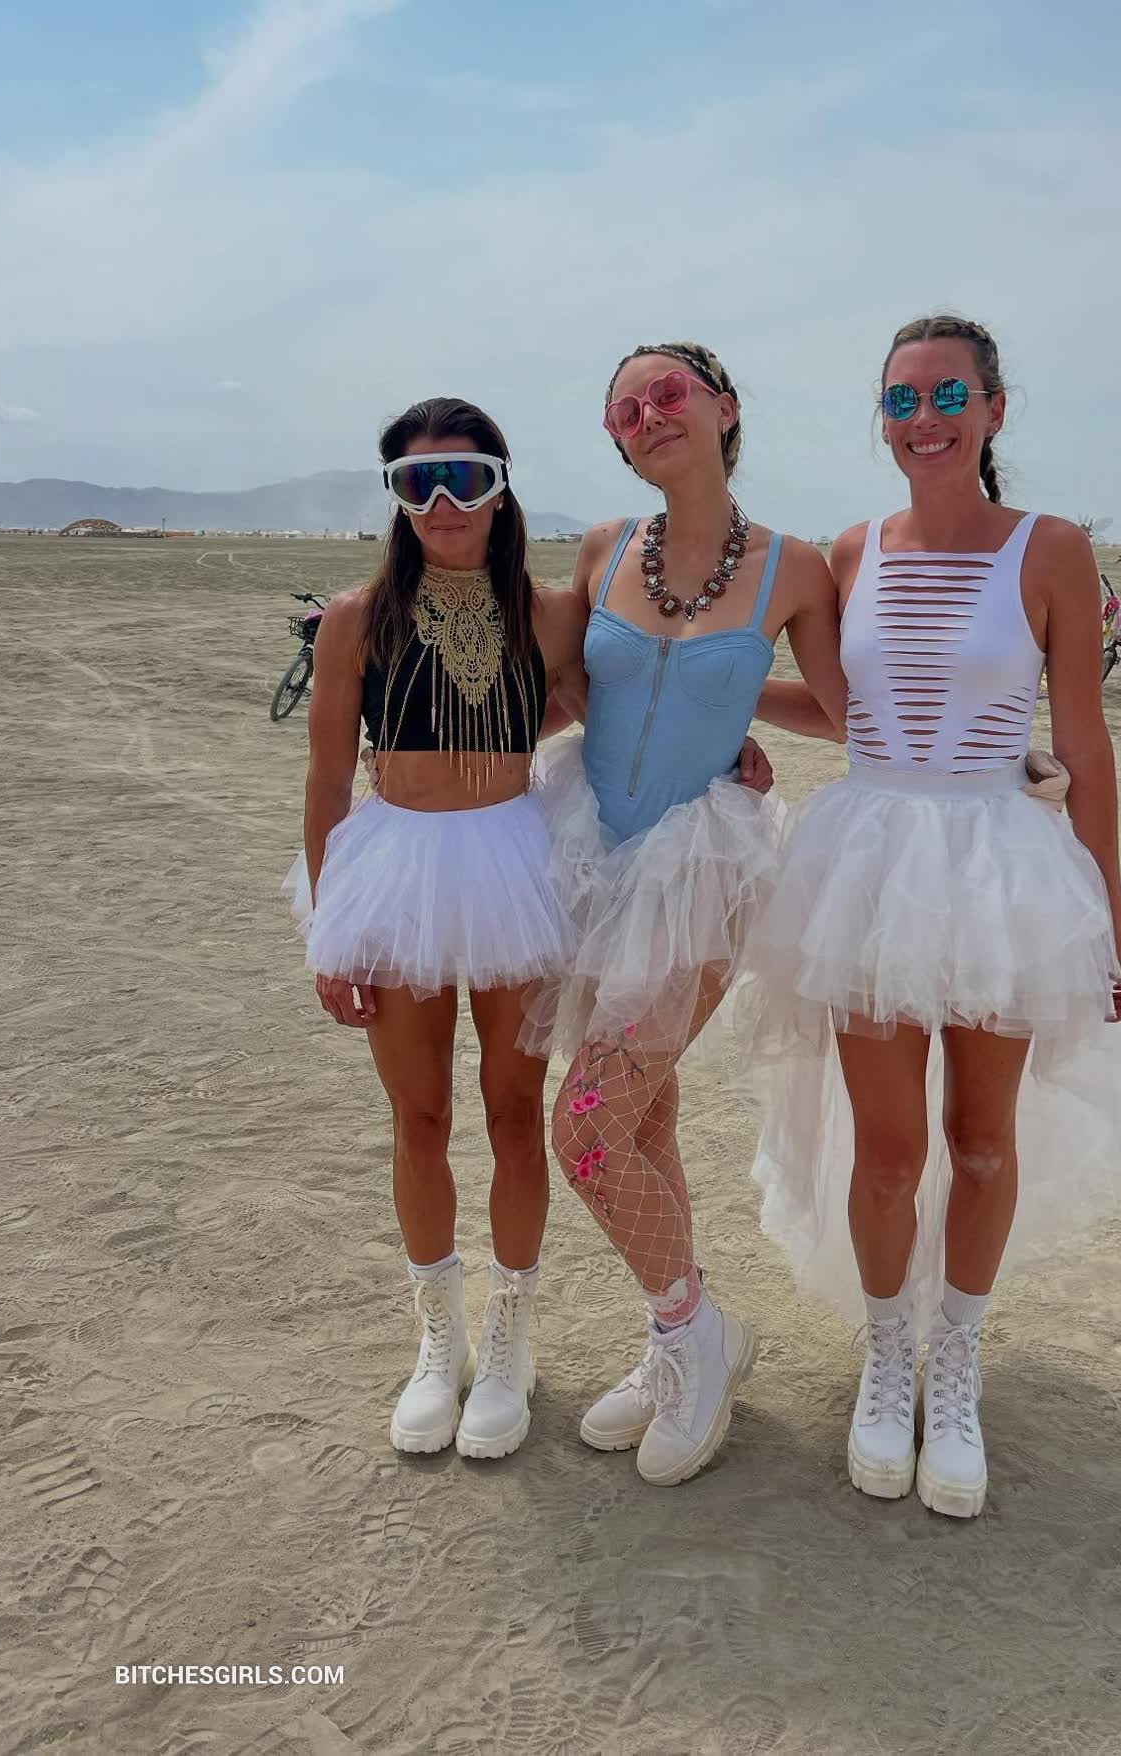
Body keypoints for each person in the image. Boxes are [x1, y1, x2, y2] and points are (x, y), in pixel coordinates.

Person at [744, 316, 1121, 1518]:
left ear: (992, 410)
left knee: (980, 1142)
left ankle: (957, 1359)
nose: (920, 420)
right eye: (898, 400)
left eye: (944, 397)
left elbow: (1081, 742)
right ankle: (888, 1356)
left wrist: (1111, 916)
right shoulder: (849, 550)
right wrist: (719, 699)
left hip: (996, 867)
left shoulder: (1049, 548)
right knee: (885, 1152)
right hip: (868, 864)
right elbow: (842, 711)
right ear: (880, 419)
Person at [530, 339, 847, 1488]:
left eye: (667, 392)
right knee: (644, 1119)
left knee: (587, 1128)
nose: (647, 415)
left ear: (722, 405)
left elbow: (846, 710)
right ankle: (683, 1341)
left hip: (702, 872)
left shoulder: (793, 567)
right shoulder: (603, 548)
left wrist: (737, 714)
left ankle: (692, 1331)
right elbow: (564, 686)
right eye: (624, 409)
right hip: (588, 855)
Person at [285, 396, 584, 1462]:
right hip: (395, 872)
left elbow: (615, 709)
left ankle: (508, 1339)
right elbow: (328, 779)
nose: (445, 500)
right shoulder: (356, 618)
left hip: (516, 866)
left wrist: (728, 749)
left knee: (514, 1112)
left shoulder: (551, 614)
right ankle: (437, 1335)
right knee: (418, 1116)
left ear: (501, 488)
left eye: (466, 476)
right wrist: (331, 925)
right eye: (419, 481)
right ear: (398, 499)